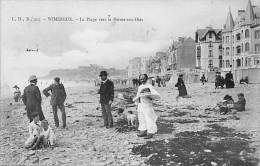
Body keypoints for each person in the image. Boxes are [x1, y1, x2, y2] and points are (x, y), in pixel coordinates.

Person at [133, 74, 161, 139]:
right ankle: (143, 130)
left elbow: (155, 95)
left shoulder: (149, 86)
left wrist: (149, 96)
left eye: (143, 79)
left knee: (149, 118)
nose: (142, 80)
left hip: (147, 104)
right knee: (141, 118)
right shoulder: (140, 87)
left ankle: (150, 132)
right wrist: (137, 104)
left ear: (146, 79)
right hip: (141, 105)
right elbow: (138, 96)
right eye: (141, 79)